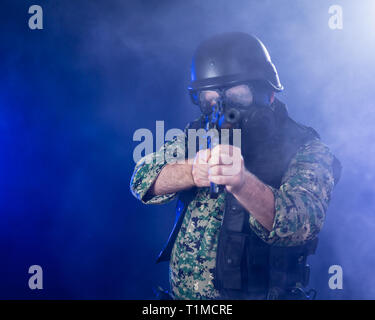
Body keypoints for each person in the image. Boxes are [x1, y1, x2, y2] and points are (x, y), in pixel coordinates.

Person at [130, 32, 342, 300]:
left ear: (269, 95)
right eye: (210, 99)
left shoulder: (305, 148)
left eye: (237, 96)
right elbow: (141, 180)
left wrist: (242, 183)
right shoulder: (197, 137)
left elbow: (301, 225)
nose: (223, 110)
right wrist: (193, 171)